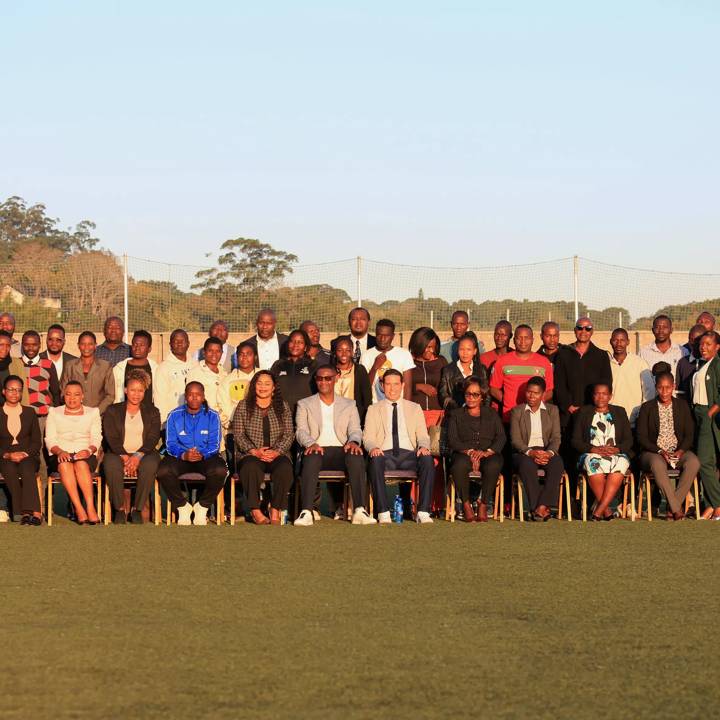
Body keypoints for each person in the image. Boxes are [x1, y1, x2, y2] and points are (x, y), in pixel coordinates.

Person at [294, 365, 376, 526]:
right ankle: (306, 511)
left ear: (335, 379)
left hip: (341, 450)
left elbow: (355, 429)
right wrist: (311, 443)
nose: (323, 382)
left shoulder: (349, 404)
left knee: (356, 455)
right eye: (319, 378)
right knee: (311, 457)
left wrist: (353, 441)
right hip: (317, 449)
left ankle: (359, 509)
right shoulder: (304, 404)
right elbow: (300, 431)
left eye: (327, 378)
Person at [362, 369, 435, 524]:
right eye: (388, 384)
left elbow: (423, 435)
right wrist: (373, 447)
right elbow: (368, 437)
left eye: (396, 384)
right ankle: (382, 511)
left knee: (428, 459)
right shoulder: (373, 409)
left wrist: (423, 446)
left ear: (402, 385)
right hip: (384, 454)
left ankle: (423, 512)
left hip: (409, 454)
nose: (392, 388)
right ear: (382, 386)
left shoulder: (414, 408)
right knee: (374, 460)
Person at [157, 382, 227, 526]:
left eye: (198, 394)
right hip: (181, 457)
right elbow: (170, 444)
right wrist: (183, 455)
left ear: (203, 397)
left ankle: (202, 507)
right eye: (191, 394)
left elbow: (215, 444)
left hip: (205, 456)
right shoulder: (174, 415)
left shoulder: (213, 416)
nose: (194, 398)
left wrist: (202, 454)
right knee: (163, 470)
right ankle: (183, 507)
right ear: (185, 396)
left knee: (220, 470)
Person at [232, 370, 294, 525]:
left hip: (277, 454)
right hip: (251, 454)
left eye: (267, 384)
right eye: (259, 383)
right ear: (254, 386)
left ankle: (275, 509)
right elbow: (238, 434)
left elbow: (289, 434)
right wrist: (254, 451)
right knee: (250, 467)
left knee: (285, 469)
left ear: (274, 387)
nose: (263, 387)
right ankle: (255, 510)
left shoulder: (283, 406)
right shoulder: (243, 406)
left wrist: (276, 452)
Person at [636, 368, 700, 520]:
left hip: (678, 451)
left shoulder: (683, 406)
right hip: (653, 452)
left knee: (694, 462)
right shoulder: (647, 408)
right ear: (656, 387)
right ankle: (677, 509)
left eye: (668, 387)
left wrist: (681, 450)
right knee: (658, 464)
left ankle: (673, 507)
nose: (664, 391)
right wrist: (659, 451)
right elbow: (641, 437)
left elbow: (689, 434)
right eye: (660, 387)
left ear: (674, 386)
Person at [102, 369, 162, 524]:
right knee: (111, 465)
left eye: (140, 391)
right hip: (118, 453)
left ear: (145, 392)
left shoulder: (153, 411)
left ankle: (137, 509)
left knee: (150, 466)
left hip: (144, 454)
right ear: (125, 390)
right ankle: (120, 509)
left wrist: (137, 455)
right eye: (133, 390)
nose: (136, 394)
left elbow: (153, 437)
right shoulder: (113, 410)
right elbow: (111, 436)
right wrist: (124, 456)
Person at [447, 377, 505, 522]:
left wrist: (488, 452)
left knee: (494, 464)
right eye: (468, 394)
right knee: (459, 465)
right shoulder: (456, 414)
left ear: (482, 396)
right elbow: (452, 440)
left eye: (475, 394)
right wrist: (470, 452)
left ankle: (483, 503)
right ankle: (466, 504)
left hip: (487, 453)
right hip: (464, 453)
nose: (471, 398)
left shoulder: (491, 413)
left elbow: (501, 437)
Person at [572, 382, 633, 521]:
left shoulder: (620, 412)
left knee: (622, 462)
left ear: (610, 396)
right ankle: (606, 510)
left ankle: (599, 510)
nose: (601, 397)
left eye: (604, 394)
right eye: (597, 393)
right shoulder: (583, 412)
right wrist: (593, 449)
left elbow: (629, 440)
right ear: (592, 396)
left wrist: (616, 449)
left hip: (615, 454)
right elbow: (575, 441)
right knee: (592, 461)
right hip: (591, 453)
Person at [45, 380, 103, 524]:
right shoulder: (54, 412)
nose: (72, 398)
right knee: (65, 465)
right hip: (60, 453)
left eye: (76, 395)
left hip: (85, 454)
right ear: (64, 396)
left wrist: (89, 450)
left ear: (82, 396)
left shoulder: (93, 412)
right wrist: (60, 452)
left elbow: (97, 438)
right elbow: (50, 439)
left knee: (81, 464)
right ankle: (79, 508)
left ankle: (90, 507)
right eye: (68, 394)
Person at [509, 376, 564, 521]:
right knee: (526, 465)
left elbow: (556, 437)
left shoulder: (552, 410)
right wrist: (531, 452)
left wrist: (549, 453)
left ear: (543, 394)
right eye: (529, 392)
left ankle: (540, 507)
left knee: (557, 464)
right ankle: (539, 507)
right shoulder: (517, 411)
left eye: (536, 393)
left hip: (546, 450)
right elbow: (515, 440)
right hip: (524, 452)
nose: (531, 396)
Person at [554, 317, 613, 431]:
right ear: (575, 330)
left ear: (592, 331)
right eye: (580, 328)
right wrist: (568, 406)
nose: (583, 331)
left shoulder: (601, 356)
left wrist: (594, 407)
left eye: (588, 328)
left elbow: (606, 383)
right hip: (568, 415)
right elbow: (559, 383)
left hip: (593, 413)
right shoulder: (563, 353)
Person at [489, 325, 553, 424]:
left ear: (532, 340)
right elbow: (493, 389)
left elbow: (549, 390)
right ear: (514, 340)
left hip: (535, 418)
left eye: (526, 338)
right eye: (519, 338)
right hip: (510, 417)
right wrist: (507, 400)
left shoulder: (544, 362)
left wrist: (536, 402)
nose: (523, 342)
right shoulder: (502, 361)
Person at [0, 375, 42, 524]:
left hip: (28, 455)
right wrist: (7, 455)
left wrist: (24, 453)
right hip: (5, 457)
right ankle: (21, 512)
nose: (15, 393)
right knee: (9, 470)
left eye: (18, 390)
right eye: (11, 389)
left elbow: (37, 441)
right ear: (4, 391)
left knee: (26, 469)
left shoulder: (30, 412)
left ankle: (29, 513)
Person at [692, 331, 720, 520]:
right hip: (699, 415)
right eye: (702, 344)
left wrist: (713, 410)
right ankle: (711, 506)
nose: (704, 347)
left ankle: (717, 504)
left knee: (704, 462)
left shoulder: (718, 364)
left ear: (717, 347)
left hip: (709, 414)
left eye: (709, 344)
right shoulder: (702, 364)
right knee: (707, 463)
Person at [361, 319, 415, 403]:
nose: (382, 339)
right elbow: (364, 386)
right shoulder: (367, 355)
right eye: (379, 335)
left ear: (393, 336)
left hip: (398, 406)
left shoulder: (404, 354)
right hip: (375, 406)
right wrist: (375, 367)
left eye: (387, 336)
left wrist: (405, 408)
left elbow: (407, 386)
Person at [61, 331, 115, 414]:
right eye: (83, 344)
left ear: (95, 345)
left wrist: (96, 412)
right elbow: (63, 391)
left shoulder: (105, 366)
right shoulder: (70, 365)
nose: (86, 347)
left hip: (98, 416)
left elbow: (110, 395)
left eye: (90, 344)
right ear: (78, 345)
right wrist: (75, 410)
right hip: (73, 415)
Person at [608, 328, 653, 426]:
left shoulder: (640, 363)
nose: (619, 344)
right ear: (611, 342)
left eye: (622, 340)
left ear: (628, 342)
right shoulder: (606, 364)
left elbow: (649, 392)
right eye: (615, 340)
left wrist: (642, 415)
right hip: (611, 421)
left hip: (634, 421)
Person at [270, 329, 316, 420]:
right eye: (292, 341)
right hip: (281, 416)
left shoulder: (313, 365)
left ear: (306, 347)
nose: (295, 345)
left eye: (300, 342)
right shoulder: (278, 365)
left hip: (306, 416)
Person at [153, 329, 196, 425]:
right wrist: (164, 422)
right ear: (170, 344)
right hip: (174, 421)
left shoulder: (195, 365)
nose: (179, 344)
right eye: (176, 341)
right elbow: (159, 398)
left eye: (182, 341)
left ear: (188, 343)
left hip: (195, 421)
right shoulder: (163, 368)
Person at [438, 332, 488, 410]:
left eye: (469, 349)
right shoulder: (448, 370)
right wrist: (457, 408)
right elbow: (443, 395)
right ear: (457, 350)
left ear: (475, 351)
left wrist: (483, 411)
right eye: (461, 349)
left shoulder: (482, 370)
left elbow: (486, 394)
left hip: (478, 415)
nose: (465, 353)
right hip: (455, 415)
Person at [333, 335, 372, 426]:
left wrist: (364, 421)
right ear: (335, 352)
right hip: (334, 418)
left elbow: (367, 398)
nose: (344, 354)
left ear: (352, 352)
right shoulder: (329, 371)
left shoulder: (359, 370)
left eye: (347, 350)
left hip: (354, 419)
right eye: (340, 350)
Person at [218, 341, 257, 431]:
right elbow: (222, 404)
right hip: (234, 429)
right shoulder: (228, 379)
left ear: (255, 357)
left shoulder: (262, 376)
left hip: (259, 429)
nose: (244, 357)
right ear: (237, 357)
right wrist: (231, 423)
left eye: (248, 354)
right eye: (241, 354)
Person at [112, 330, 158, 406]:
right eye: (135, 344)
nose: (137, 348)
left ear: (149, 349)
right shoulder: (119, 368)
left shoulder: (156, 369)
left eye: (142, 345)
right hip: (124, 415)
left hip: (148, 415)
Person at [408, 327, 447, 413]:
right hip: (413, 413)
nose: (431, 350)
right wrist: (418, 387)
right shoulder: (408, 362)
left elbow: (447, 387)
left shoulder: (441, 361)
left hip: (437, 413)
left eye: (433, 347)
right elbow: (399, 386)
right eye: (428, 347)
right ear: (419, 344)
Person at [186, 337, 228, 414]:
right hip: (204, 419)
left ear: (222, 353)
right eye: (210, 351)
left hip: (224, 420)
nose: (214, 354)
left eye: (218, 351)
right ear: (204, 352)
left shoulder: (225, 373)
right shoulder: (195, 373)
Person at [639, 315, 687, 379]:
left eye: (665, 327)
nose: (661, 331)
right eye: (657, 327)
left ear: (671, 330)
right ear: (653, 330)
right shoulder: (643, 353)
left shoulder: (682, 352)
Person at [676, 324, 705, 404]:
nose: (692, 343)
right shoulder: (683, 362)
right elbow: (679, 391)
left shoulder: (711, 362)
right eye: (690, 339)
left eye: (697, 340)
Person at [0, 332, 29, 404]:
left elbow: (24, 391)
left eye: (8, 345)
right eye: (1, 345)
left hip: (13, 410)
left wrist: (25, 411)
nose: (5, 348)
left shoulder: (17, 363)